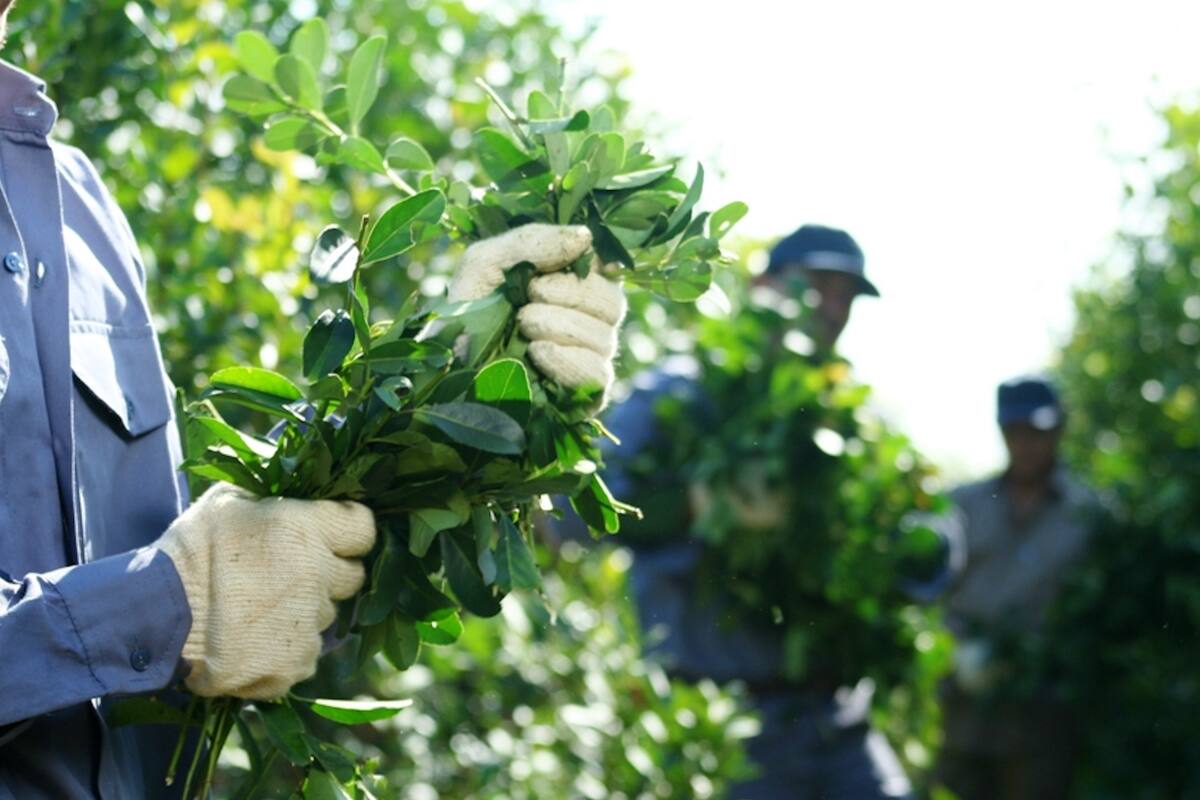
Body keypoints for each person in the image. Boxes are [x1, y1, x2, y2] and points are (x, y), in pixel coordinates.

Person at [0, 9, 626, 796]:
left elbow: (224, 592)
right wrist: (157, 604)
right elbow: (165, 595)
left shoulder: (77, 205)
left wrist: (463, 394)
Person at [602, 224, 935, 799]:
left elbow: (929, 529)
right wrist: (694, 505)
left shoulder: (850, 415)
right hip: (728, 723)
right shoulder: (685, 390)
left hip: (839, 718)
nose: (832, 308)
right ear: (763, 285)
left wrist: (909, 546)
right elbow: (574, 511)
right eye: (818, 286)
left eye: (846, 296)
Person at [937, 377, 1101, 800]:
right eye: (1016, 432)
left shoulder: (1090, 514)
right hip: (964, 707)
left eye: (1038, 432)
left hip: (1043, 712)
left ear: (1059, 430)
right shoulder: (962, 505)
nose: (1027, 444)